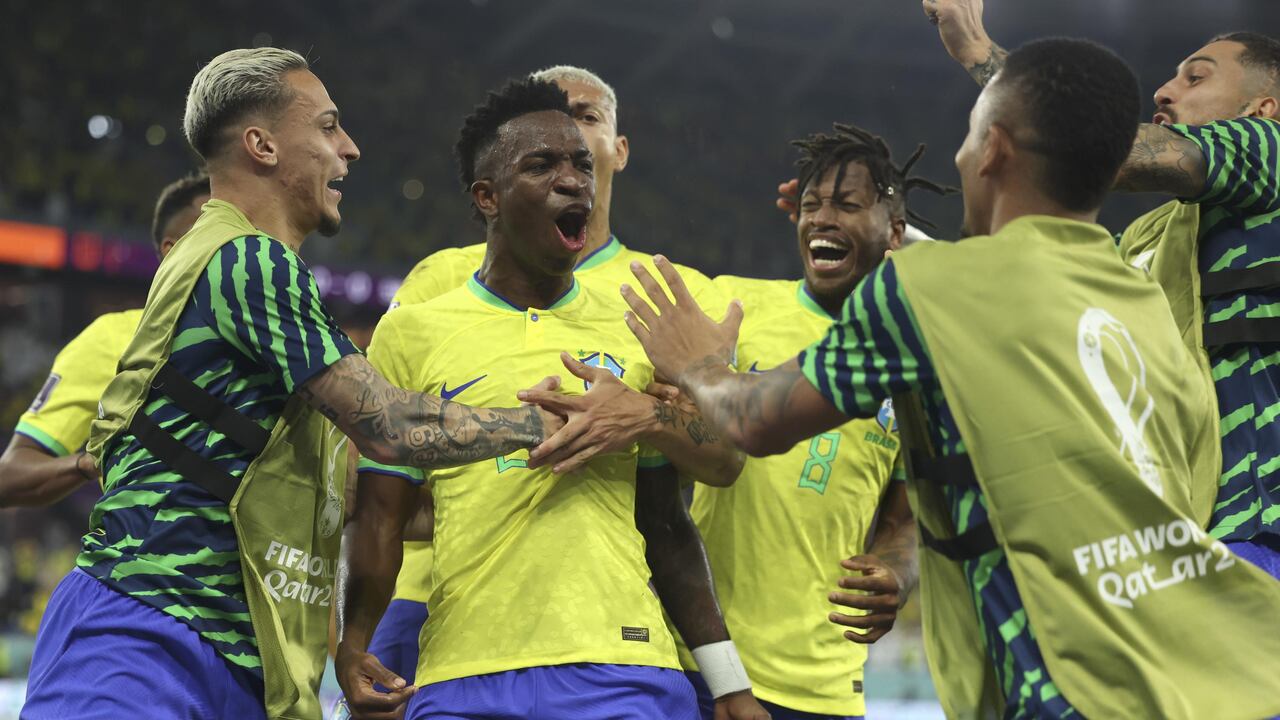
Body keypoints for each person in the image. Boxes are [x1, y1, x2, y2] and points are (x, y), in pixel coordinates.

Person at [616, 38, 1280, 719]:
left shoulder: (931, 288)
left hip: (1061, 690)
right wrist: (877, 230)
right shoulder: (1149, 306)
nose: (960, 159)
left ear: (992, 149)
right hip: (1198, 673)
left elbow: (755, 421)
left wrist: (696, 362)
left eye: (967, 138)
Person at [22, 48, 564, 720]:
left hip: (238, 649)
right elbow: (391, 426)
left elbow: (338, 494)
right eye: (329, 127)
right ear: (263, 145)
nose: (350, 148)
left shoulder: (248, 275)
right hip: (146, 635)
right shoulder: (247, 257)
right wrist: (545, 424)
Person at [336, 77, 767, 720]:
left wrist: (728, 682)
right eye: (541, 165)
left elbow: (676, 515)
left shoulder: (636, 324)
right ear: (487, 196)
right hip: (463, 671)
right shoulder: (416, 329)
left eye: (581, 165)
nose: (573, 181)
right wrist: (353, 645)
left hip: (623, 669)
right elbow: (380, 516)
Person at [925, 1, 1280, 578]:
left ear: (1262, 109)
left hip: (1258, 531)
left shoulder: (1270, 149)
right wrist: (910, 251)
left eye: (1196, 78)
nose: (1164, 91)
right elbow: (1052, 290)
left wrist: (978, 51)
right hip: (1177, 537)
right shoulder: (1148, 238)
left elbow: (1093, 152)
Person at [675, 124, 951, 720]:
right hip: (705, 664)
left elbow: (909, 514)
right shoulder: (734, 307)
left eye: (847, 205)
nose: (821, 219)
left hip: (825, 682)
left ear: (895, 232)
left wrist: (896, 571)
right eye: (810, 206)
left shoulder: (915, 357)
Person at [0, 172, 209, 507]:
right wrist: (94, 460)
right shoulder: (114, 338)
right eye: (217, 231)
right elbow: (9, 475)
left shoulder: (278, 336)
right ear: (174, 251)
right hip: (147, 538)